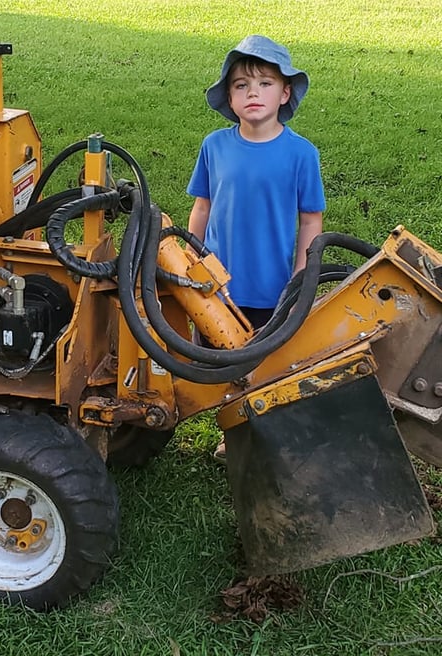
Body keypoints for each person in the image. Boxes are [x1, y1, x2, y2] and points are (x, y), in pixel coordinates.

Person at [186, 35, 326, 461]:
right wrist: (194, 259)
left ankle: (254, 433)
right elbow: (202, 207)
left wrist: (302, 277)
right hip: (218, 284)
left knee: (265, 363)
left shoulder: (301, 154)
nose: (253, 94)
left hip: (272, 286)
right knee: (220, 362)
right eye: (242, 85)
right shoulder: (215, 146)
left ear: (284, 93)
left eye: (264, 84)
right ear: (229, 96)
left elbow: (310, 221)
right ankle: (230, 424)